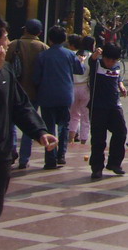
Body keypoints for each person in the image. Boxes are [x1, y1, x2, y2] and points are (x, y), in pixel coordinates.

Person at [0, 18, 57, 222]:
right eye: (5, 38)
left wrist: (40, 132)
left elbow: (20, 106)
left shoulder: (6, 71)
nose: (7, 43)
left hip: (2, 154)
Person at [33, 26, 84, 169]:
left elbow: (36, 78)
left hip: (47, 96)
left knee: (48, 128)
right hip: (65, 95)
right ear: (64, 40)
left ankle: (50, 158)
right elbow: (80, 70)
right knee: (64, 126)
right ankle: (61, 155)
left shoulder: (43, 56)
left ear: (49, 39)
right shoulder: (69, 55)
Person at [5, 18, 46, 169]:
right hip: (34, 92)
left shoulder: (13, 44)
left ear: (25, 30)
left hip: (15, 89)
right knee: (30, 123)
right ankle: (24, 158)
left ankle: (12, 152)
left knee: (11, 124)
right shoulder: (43, 47)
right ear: (39, 32)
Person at [87, 43, 128, 179]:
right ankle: (97, 167)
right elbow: (91, 61)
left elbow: (118, 77)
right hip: (98, 107)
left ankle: (115, 163)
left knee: (121, 132)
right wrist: (95, 55)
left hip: (114, 105)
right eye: (108, 59)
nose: (110, 63)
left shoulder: (117, 66)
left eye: (113, 60)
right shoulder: (97, 64)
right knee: (98, 138)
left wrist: (121, 85)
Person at [68, 35, 92, 146]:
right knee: (85, 116)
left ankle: (71, 139)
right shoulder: (90, 56)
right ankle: (83, 141)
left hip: (72, 86)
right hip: (85, 87)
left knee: (73, 115)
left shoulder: (72, 55)